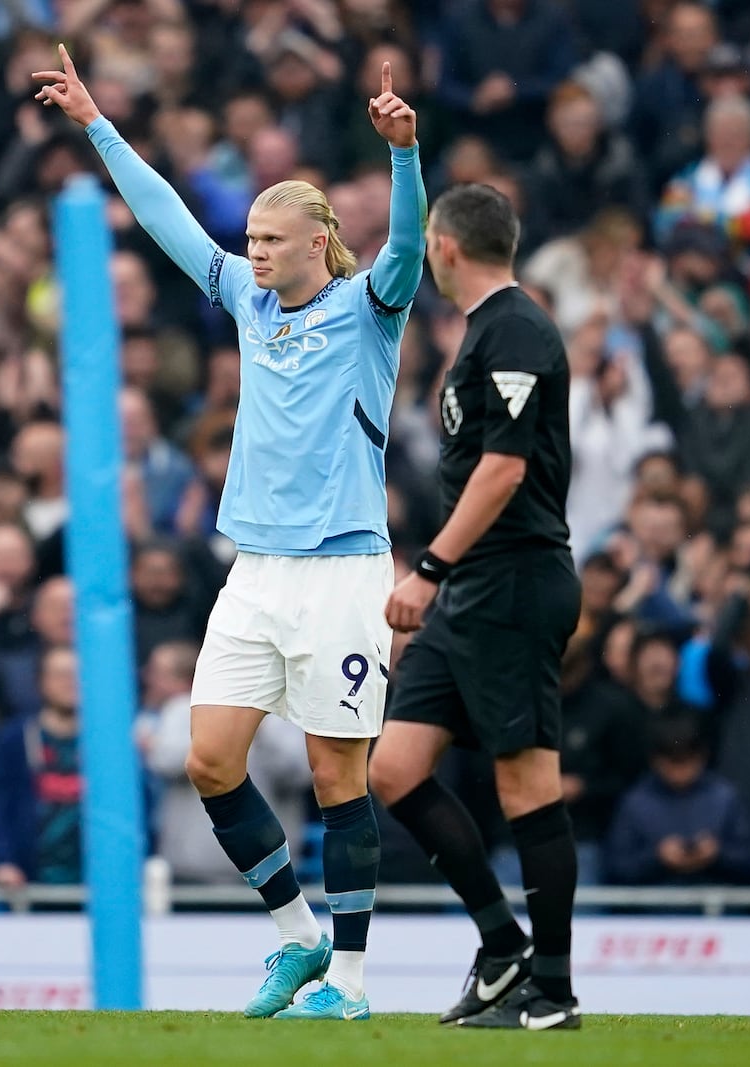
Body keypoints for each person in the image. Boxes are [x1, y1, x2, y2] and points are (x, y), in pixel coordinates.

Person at [36, 46, 425, 1020]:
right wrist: (96, 123)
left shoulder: (367, 308)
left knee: (340, 774)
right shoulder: (248, 304)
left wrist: (406, 158)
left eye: (269, 238)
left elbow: (411, 253)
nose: (252, 250)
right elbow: (166, 213)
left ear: (316, 244)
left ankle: (353, 980)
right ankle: (295, 936)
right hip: (253, 568)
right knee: (210, 757)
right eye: (248, 236)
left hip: (341, 570)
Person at [369, 183, 583, 1030]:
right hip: (473, 589)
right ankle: (503, 949)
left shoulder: (518, 330)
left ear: (444, 247)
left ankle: (554, 989)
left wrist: (426, 568)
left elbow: (505, 468)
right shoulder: (483, 331)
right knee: (393, 768)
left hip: (515, 578)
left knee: (525, 779)